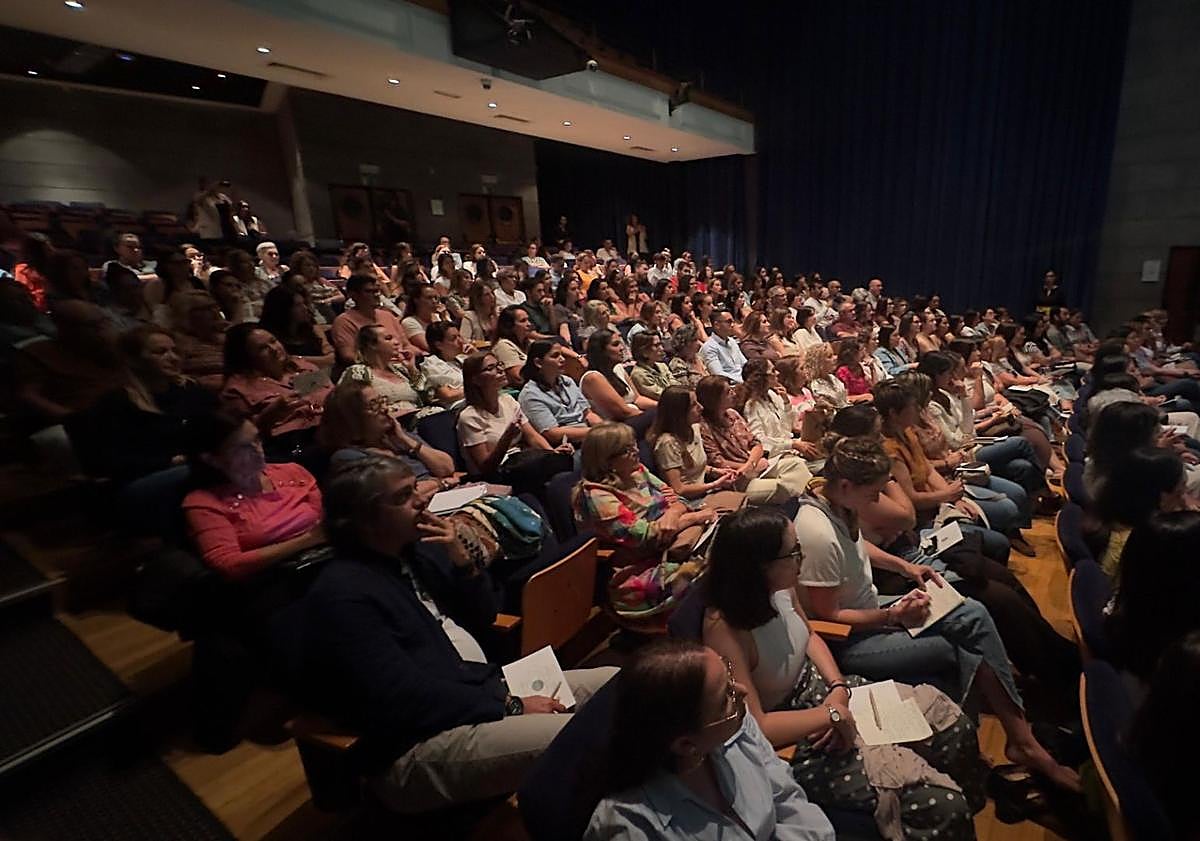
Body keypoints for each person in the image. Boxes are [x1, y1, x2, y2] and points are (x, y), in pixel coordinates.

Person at [303, 455, 616, 813]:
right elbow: (404, 698)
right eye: (404, 496)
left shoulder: (416, 553)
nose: (422, 500)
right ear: (365, 520)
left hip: (479, 690)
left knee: (620, 683)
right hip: (419, 743)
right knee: (589, 735)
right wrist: (511, 707)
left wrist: (461, 558)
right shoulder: (343, 594)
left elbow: (485, 618)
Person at [794, 437, 1081, 793]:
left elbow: (855, 547)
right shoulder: (816, 531)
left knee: (968, 608)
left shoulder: (838, 504)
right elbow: (830, 616)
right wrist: (892, 615)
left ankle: (1016, 741)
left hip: (873, 608)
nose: (877, 500)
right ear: (847, 485)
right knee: (967, 628)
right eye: (873, 493)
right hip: (851, 640)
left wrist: (903, 567)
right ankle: (1019, 741)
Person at [702, 507, 983, 839]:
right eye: (793, 552)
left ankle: (970, 810)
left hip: (829, 694)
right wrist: (831, 713)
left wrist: (836, 687)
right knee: (942, 803)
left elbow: (811, 636)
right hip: (800, 733)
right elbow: (758, 726)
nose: (802, 558)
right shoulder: (723, 628)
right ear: (761, 566)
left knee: (954, 726)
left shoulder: (781, 588)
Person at [587, 638, 835, 841]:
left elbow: (785, 797)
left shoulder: (736, 725)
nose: (741, 691)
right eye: (724, 697)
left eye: (728, 672)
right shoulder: (631, 827)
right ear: (686, 744)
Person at [573, 423, 718, 617]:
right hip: (642, 570)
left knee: (730, 541)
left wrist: (672, 515)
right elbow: (643, 535)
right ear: (606, 460)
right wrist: (693, 517)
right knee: (716, 568)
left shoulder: (638, 471)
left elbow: (678, 499)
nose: (636, 451)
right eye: (626, 450)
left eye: (634, 444)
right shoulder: (596, 495)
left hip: (675, 545)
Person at [875, 380, 1023, 562]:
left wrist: (953, 498)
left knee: (1008, 506)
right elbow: (912, 499)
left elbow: (928, 470)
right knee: (999, 542)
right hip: (926, 518)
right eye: (912, 406)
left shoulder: (907, 431)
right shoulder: (889, 450)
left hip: (941, 497)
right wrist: (947, 496)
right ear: (893, 413)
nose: (917, 409)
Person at [182, 412, 325, 580]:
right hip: (275, 581)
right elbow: (229, 564)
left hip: (324, 560)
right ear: (212, 459)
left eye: (257, 439)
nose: (258, 451)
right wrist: (307, 540)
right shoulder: (204, 503)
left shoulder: (293, 471)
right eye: (242, 448)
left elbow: (323, 521)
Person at [82, 326, 217, 484]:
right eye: (160, 352)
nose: (173, 358)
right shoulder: (117, 402)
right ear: (135, 360)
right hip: (147, 479)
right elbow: (110, 461)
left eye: (174, 351)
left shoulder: (191, 390)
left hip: (193, 467)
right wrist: (170, 461)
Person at [457, 352, 572, 493]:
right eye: (490, 368)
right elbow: (485, 468)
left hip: (519, 462)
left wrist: (551, 453)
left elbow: (532, 436)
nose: (500, 370)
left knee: (564, 462)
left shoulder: (508, 401)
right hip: (497, 475)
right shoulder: (469, 417)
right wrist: (507, 437)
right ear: (475, 380)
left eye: (499, 364)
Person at [220, 323, 332, 455]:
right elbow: (240, 438)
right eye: (263, 348)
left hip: (332, 431)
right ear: (246, 357)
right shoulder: (237, 389)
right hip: (290, 447)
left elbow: (333, 395)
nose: (274, 349)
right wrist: (270, 414)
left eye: (273, 341)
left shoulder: (303, 367)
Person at [696, 375, 811, 504]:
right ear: (714, 399)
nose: (734, 394)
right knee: (783, 487)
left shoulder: (732, 414)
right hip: (737, 476)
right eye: (728, 392)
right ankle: (811, 505)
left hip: (754, 464)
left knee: (796, 464)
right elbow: (718, 461)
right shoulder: (703, 427)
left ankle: (814, 500)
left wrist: (753, 464)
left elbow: (755, 443)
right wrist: (750, 467)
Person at [12, 300, 125, 424]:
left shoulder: (115, 346)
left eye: (104, 322)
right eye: (92, 325)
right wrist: (76, 420)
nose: (101, 329)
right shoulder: (39, 352)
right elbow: (29, 396)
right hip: (86, 420)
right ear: (67, 328)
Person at [317, 380, 455, 481]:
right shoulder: (348, 457)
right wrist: (441, 484)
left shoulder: (397, 436)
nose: (384, 409)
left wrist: (406, 440)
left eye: (381, 401)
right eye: (374, 405)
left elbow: (447, 468)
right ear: (351, 418)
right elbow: (398, 495)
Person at [649, 386, 740, 500]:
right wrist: (715, 484)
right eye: (693, 405)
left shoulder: (694, 428)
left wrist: (716, 471)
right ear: (679, 412)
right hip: (692, 501)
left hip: (707, 490)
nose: (701, 407)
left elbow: (693, 467)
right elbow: (679, 489)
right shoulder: (667, 443)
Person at [339, 323, 434, 423]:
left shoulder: (400, 370)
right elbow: (351, 408)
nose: (397, 342)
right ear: (372, 345)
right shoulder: (358, 372)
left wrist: (412, 368)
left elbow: (428, 396)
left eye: (396, 338)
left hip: (419, 419)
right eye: (388, 338)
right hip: (386, 425)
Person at [517, 340, 599, 445]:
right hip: (566, 446)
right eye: (555, 356)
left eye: (562, 355)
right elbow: (553, 434)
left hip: (588, 436)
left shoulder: (567, 381)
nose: (562, 359)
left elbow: (588, 414)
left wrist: (605, 429)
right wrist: (595, 433)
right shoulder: (530, 395)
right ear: (538, 363)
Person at [741, 358, 822, 460]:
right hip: (774, 455)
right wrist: (791, 444)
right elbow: (759, 440)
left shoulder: (773, 395)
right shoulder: (751, 406)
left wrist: (786, 402)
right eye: (773, 371)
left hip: (789, 445)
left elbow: (791, 425)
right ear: (762, 378)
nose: (778, 373)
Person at [331, 274, 410, 369]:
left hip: (403, 367)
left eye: (377, 291)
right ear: (353, 295)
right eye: (369, 291)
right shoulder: (343, 321)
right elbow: (348, 356)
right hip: (371, 373)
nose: (376, 295)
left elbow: (406, 345)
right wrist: (384, 362)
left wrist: (417, 354)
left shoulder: (387, 315)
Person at [581, 330, 653, 421]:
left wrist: (662, 406)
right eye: (615, 344)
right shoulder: (593, 377)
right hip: (617, 426)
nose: (622, 348)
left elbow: (638, 399)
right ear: (601, 351)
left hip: (635, 417)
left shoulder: (618, 368)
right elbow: (624, 412)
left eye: (621, 343)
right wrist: (654, 417)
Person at [257, 285, 334, 366]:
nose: (305, 308)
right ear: (283, 309)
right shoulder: (269, 338)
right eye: (298, 305)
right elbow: (282, 361)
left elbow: (331, 359)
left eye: (304, 303)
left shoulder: (309, 330)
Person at [420, 321, 466, 408]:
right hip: (456, 409)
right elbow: (448, 395)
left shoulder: (462, 359)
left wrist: (475, 354)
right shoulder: (432, 364)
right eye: (454, 338)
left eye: (459, 336)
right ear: (439, 345)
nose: (461, 341)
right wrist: (477, 389)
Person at [700, 309, 748, 383]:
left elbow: (745, 364)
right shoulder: (709, 347)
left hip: (744, 382)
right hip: (730, 386)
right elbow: (718, 374)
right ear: (717, 325)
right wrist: (743, 381)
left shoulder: (732, 341)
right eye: (729, 322)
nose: (732, 325)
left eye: (733, 321)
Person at [628, 331, 678, 401]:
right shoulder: (639, 374)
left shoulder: (662, 366)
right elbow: (661, 395)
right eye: (656, 345)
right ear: (643, 351)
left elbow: (676, 385)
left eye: (660, 344)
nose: (662, 349)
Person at [493, 305, 535, 388]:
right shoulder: (503, 345)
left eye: (528, 320)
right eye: (523, 321)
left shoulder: (529, 343)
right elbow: (518, 378)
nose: (529, 324)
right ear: (510, 326)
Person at [399, 283, 444, 354]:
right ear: (416, 300)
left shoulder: (438, 318)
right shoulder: (409, 322)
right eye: (429, 298)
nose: (434, 301)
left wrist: (444, 318)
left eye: (435, 298)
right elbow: (430, 347)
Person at [668, 324, 708, 389]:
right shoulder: (678, 364)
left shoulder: (699, 358)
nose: (699, 343)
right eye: (695, 340)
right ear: (685, 342)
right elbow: (684, 390)